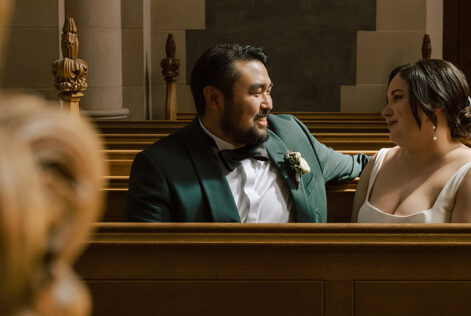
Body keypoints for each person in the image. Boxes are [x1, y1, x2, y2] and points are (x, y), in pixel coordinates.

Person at [126, 43, 368, 222]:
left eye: (269, 91)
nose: (269, 104)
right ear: (214, 99)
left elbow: (359, 165)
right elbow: (149, 263)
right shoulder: (159, 166)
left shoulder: (291, 133)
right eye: (256, 93)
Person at [352, 59, 471, 224]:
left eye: (397, 98)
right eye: (388, 100)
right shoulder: (377, 164)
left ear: (435, 105)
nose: (385, 112)